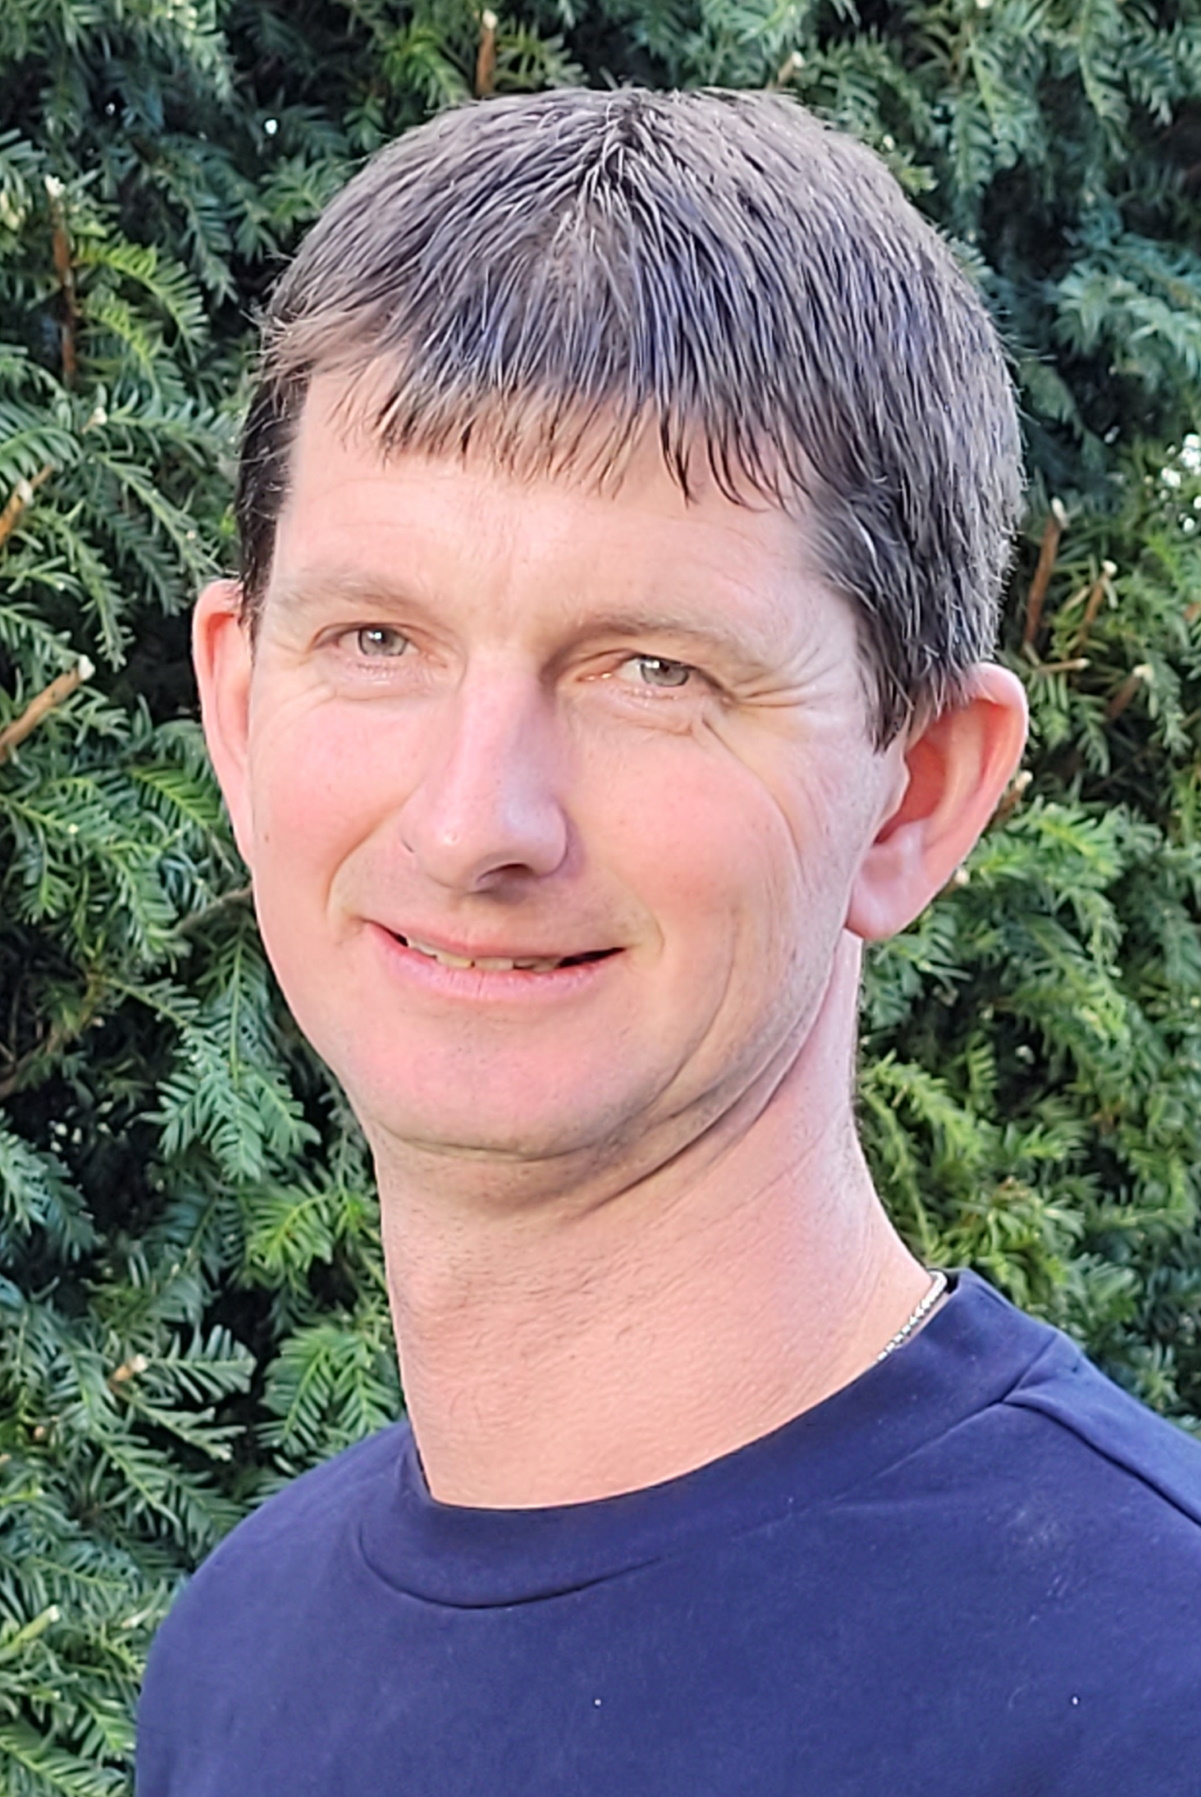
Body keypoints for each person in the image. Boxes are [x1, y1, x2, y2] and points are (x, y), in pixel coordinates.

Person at [136, 87, 1201, 1796]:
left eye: (653, 671)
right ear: (241, 710)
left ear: (916, 795)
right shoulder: (236, 1658)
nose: (473, 821)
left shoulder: (1150, 1689)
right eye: (377, 638)